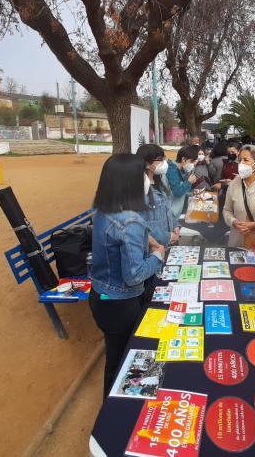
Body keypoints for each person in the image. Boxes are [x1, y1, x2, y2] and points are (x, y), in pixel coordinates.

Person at [89, 154, 165, 398]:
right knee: (129, 359)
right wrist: (157, 256)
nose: (147, 178)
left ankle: (110, 409)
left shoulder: (103, 210)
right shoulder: (129, 221)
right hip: (122, 303)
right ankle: (121, 414)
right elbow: (134, 275)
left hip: (101, 297)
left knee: (115, 358)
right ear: (129, 181)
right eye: (143, 173)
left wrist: (145, 238)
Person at [135, 144, 179, 246]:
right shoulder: (141, 189)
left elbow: (167, 209)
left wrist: (176, 225)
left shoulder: (159, 182)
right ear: (146, 163)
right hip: (153, 247)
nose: (164, 163)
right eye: (159, 160)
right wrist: (167, 237)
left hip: (166, 244)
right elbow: (141, 224)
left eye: (164, 159)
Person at [166, 146, 199, 219]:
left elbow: (182, 189)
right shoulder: (172, 170)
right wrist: (189, 182)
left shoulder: (181, 169)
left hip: (175, 211)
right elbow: (177, 192)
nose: (193, 165)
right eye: (192, 161)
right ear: (183, 159)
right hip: (170, 213)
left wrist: (192, 192)